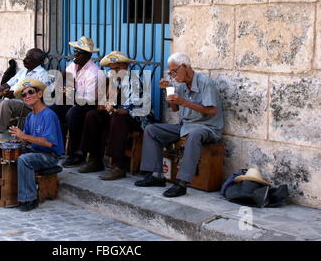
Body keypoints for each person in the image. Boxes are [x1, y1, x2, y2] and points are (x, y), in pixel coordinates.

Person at [134, 52, 224, 198]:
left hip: (207, 128)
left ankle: (182, 183)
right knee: (151, 129)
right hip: (185, 126)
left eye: (174, 71)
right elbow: (175, 109)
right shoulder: (181, 86)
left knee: (194, 135)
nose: (173, 75)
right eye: (171, 73)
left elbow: (212, 110)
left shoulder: (205, 82)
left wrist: (184, 102)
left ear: (185, 67)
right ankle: (157, 175)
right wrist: (169, 91)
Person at [0, 48, 51, 151]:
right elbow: (8, 83)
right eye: (25, 57)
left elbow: (36, 96)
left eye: (29, 58)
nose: (25, 60)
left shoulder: (42, 75)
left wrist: (15, 94)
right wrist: (2, 89)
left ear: (37, 62)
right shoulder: (23, 71)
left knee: (5, 104)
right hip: (8, 101)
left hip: (25, 106)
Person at [78, 51, 143, 180]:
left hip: (135, 118)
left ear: (125, 67)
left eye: (117, 68)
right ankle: (94, 159)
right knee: (93, 115)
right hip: (115, 114)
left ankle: (118, 166)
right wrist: (103, 106)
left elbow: (128, 110)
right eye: (111, 69)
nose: (114, 72)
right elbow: (102, 102)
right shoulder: (111, 79)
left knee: (118, 119)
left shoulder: (134, 81)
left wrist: (112, 110)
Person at [9, 78, 64, 211]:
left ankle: (30, 199)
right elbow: (27, 139)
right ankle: (9, 194)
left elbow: (48, 143)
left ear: (39, 94)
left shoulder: (48, 115)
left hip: (49, 156)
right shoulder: (30, 117)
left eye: (31, 92)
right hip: (35, 151)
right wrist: (19, 140)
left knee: (24, 160)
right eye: (24, 95)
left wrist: (23, 136)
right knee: (9, 155)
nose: (27, 96)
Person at [50, 36, 104, 167]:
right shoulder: (74, 65)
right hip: (74, 101)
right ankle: (53, 148)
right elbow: (64, 74)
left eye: (79, 53)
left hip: (88, 104)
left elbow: (89, 99)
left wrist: (70, 94)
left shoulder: (93, 72)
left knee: (72, 114)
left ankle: (75, 154)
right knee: (52, 111)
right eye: (75, 51)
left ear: (88, 55)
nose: (75, 55)